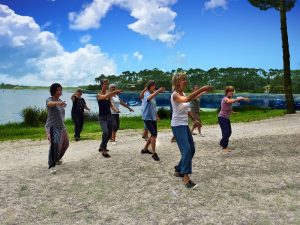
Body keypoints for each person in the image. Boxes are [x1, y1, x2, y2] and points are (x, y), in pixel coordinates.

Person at [171, 73, 212, 189]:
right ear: (177, 82)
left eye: (185, 79)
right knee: (187, 150)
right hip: (177, 126)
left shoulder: (183, 93)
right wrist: (202, 89)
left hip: (184, 125)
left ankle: (179, 168)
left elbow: (186, 109)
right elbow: (188, 99)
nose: (186, 81)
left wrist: (194, 119)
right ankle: (186, 178)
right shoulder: (174, 95)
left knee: (191, 149)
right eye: (183, 79)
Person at [45, 83, 69, 174]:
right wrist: (58, 103)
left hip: (62, 126)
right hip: (53, 126)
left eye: (60, 90)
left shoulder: (60, 100)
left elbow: (61, 111)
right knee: (54, 145)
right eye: (58, 90)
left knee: (66, 144)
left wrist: (61, 104)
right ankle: (51, 165)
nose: (60, 91)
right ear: (53, 91)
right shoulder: (50, 99)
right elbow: (50, 104)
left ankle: (57, 159)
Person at [218, 86, 249, 152]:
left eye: (232, 91)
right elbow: (229, 101)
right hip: (222, 118)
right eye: (230, 91)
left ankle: (222, 142)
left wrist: (233, 112)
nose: (232, 93)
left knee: (229, 132)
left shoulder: (229, 99)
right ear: (227, 92)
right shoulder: (225, 99)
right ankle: (224, 147)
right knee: (226, 132)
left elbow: (226, 107)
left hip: (226, 118)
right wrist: (241, 98)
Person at [141, 80, 165, 161]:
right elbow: (148, 99)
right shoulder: (146, 93)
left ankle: (145, 149)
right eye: (154, 85)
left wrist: (157, 116)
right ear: (150, 86)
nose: (155, 87)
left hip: (152, 118)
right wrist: (158, 91)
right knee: (154, 134)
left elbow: (154, 107)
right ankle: (154, 153)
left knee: (153, 135)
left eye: (155, 86)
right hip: (147, 118)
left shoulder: (153, 95)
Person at [97, 79, 121, 158]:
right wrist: (114, 92)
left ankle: (101, 146)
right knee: (105, 132)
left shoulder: (109, 95)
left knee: (109, 134)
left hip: (109, 116)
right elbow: (104, 97)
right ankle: (104, 151)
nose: (106, 86)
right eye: (105, 84)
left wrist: (116, 110)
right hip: (102, 117)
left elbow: (111, 105)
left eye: (107, 84)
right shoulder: (99, 95)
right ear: (102, 85)